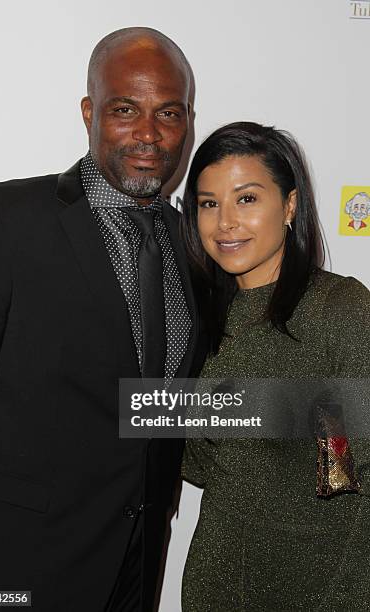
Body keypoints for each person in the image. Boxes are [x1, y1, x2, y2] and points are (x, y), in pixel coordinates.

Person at [0, 27, 202, 612]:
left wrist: (324, 405)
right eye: (125, 110)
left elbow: (159, 406)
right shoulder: (1, 220)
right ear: (89, 112)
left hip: (136, 566)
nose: (149, 134)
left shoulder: (194, 246)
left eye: (168, 114)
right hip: (10, 570)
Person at [180, 122, 370, 611]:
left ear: (288, 206)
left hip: (324, 587)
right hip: (215, 580)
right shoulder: (200, 320)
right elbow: (199, 462)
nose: (224, 222)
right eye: (207, 203)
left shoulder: (340, 308)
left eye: (246, 199)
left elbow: (354, 464)